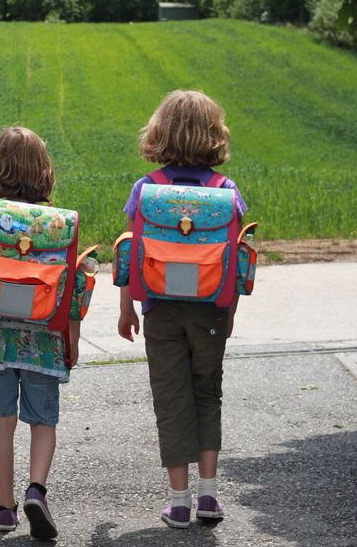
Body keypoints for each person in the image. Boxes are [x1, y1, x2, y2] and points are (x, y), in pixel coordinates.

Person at [117, 90, 248, 529]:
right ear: (214, 135)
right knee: (207, 394)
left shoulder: (147, 188)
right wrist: (228, 312)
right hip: (211, 309)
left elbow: (130, 253)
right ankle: (209, 497)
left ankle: (178, 502)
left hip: (160, 308)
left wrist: (127, 308)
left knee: (171, 400)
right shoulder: (224, 191)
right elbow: (236, 255)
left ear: (160, 132)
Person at [0, 127, 82, 540]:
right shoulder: (58, 226)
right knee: (43, 420)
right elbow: (71, 291)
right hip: (45, 342)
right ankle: (37, 490)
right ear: (43, 171)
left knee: (3, 422)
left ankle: (6, 507)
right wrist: (72, 342)